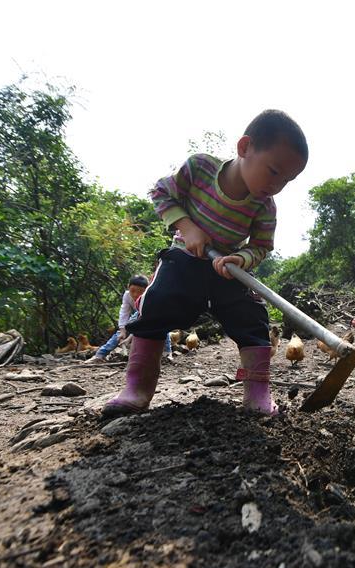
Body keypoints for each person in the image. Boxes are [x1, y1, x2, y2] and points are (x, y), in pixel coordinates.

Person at [101, 109, 308, 419]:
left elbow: (262, 246)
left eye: (288, 180)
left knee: (252, 319)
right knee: (155, 307)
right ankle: (137, 390)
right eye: (274, 171)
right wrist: (187, 227)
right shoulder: (200, 168)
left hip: (226, 268)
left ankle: (257, 395)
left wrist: (241, 258)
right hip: (183, 259)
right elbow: (160, 192)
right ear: (244, 148)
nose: (277, 184)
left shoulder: (264, 205)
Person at [86, 275, 173, 364]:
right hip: (138, 316)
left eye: (140, 291)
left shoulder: (150, 296)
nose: (135, 294)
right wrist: (123, 330)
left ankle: (167, 353)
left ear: (147, 289)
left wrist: (129, 337)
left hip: (155, 317)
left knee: (162, 327)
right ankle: (100, 355)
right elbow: (124, 313)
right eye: (133, 291)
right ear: (128, 287)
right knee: (120, 333)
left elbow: (142, 317)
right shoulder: (127, 296)